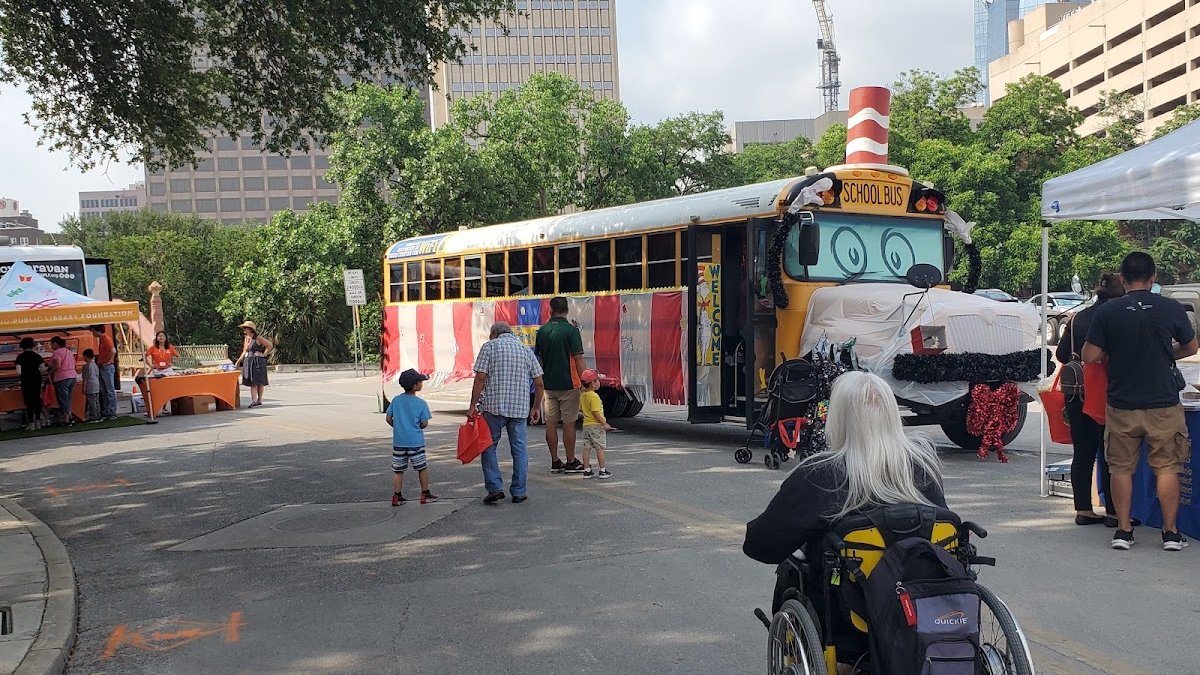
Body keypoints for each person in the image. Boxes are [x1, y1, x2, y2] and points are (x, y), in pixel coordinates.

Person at [743, 371, 946, 669]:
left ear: (838, 419)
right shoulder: (923, 466)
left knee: (794, 566)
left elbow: (760, 546)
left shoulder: (821, 475)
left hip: (852, 621)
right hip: (924, 605)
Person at [1083, 252, 1197, 552]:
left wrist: (1113, 354)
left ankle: (1123, 531)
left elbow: (1089, 356)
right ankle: (1171, 534)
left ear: (1122, 279)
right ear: (1154, 277)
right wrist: (1166, 355)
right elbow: (1192, 346)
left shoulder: (1108, 312)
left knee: (1121, 468)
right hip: (1163, 402)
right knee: (1168, 467)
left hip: (1122, 403)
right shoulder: (1171, 308)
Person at [1056, 273, 1123, 527]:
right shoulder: (1117, 316)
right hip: (1105, 390)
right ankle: (1114, 511)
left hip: (1075, 391)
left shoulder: (1077, 318)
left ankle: (1083, 508)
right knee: (1109, 454)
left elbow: (1063, 355)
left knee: (1082, 452)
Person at [468, 321, 545, 504]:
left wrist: (472, 405)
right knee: (519, 450)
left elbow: (480, 378)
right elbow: (539, 382)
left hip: (494, 408)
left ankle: (494, 487)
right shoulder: (525, 350)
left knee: (488, 447)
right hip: (519, 410)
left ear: (494, 334)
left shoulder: (489, 347)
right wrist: (536, 407)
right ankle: (519, 491)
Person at [535, 296, 586, 474]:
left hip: (549, 385)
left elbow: (539, 359)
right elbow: (578, 357)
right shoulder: (571, 331)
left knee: (550, 422)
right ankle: (571, 461)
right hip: (569, 384)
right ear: (567, 310)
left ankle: (555, 461)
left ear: (551, 310)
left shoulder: (542, 331)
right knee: (569, 423)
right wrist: (585, 380)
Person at [386, 368, 439, 506]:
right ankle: (425, 493)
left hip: (399, 442)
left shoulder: (396, 400)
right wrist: (417, 427)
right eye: (420, 381)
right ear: (415, 385)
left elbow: (388, 418)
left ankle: (397, 496)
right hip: (415, 441)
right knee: (421, 468)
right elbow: (424, 423)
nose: (422, 383)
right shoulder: (421, 403)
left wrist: (398, 427)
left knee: (398, 470)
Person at [578, 368, 613, 479]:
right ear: (593, 383)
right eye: (598, 380)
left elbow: (581, 409)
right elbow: (596, 412)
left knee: (586, 448)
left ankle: (587, 470)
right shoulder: (594, 397)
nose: (599, 382)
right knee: (600, 448)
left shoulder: (583, 395)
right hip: (596, 426)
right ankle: (602, 470)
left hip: (586, 425)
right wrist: (604, 423)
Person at [235, 321, 274, 408]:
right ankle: (254, 400)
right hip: (249, 361)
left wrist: (263, 354)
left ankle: (259, 400)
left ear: (250, 329)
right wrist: (238, 361)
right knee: (252, 382)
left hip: (258, 361)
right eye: (244, 328)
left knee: (259, 382)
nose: (244, 330)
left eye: (246, 328)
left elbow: (270, 345)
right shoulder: (246, 338)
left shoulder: (258, 338)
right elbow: (244, 351)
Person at [14, 337, 47, 431]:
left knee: (29, 402)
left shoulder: (20, 357)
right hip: (37, 380)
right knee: (37, 400)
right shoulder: (37, 356)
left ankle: (31, 423)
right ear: (32, 345)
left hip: (26, 381)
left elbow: (18, 372)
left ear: (22, 346)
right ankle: (38, 422)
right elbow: (43, 369)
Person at [47, 336, 78, 425]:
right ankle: (70, 416)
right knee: (68, 398)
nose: (51, 346)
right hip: (72, 376)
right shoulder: (69, 351)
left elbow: (57, 365)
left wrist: (50, 372)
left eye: (51, 344)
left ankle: (66, 419)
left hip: (62, 377)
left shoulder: (57, 352)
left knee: (63, 399)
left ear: (56, 343)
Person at [90, 325, 118, 420]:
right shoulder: (102, 339)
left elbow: (113, 351)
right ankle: (107, 410)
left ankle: (112, 411)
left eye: (93, 331)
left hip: (107, 367)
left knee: (109, 390)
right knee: (104, 390)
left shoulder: (106, 339)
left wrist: (106, 361)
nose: (92, 333)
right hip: (103, 367)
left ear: (96, 330)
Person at [81, 349, 102, 423]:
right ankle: (98, 415)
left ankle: (93, 416)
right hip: (96, 384)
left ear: (86, 356)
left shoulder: (86, 366)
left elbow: (85, 378)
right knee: (96, 401)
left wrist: (83, 387)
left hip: (90, 385)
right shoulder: (95, 365)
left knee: (92, 401)